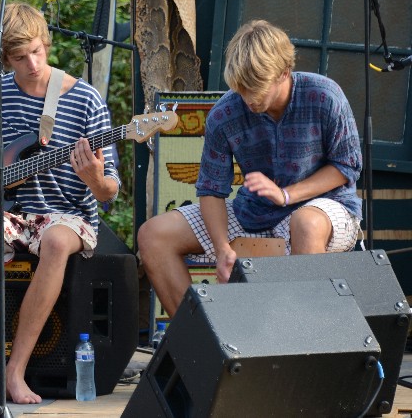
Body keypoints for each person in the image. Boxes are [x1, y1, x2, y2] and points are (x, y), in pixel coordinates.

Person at [0, 3, 121, 406]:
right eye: (20, 57)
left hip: (67, 215)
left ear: (47, 44)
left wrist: (94, 178)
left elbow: (110, 190)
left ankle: (15, 371)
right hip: (9, 211)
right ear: (5, 59)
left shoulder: (86, 100)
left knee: (58, 242)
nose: (32, 63)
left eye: (37, 52)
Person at [137, 18, 363, 318]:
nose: (246, 98)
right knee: (154, 235)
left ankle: (306, 344)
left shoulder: (325, 96)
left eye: (254, 88)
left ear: (284, 73)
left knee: (305, 224)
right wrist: (221, 249)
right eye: (240, 88)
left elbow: (346, 166)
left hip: (327, 207)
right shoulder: (225, 113)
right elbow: (211, 190)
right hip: (254, 212)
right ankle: (206, 348)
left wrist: (285, 195)